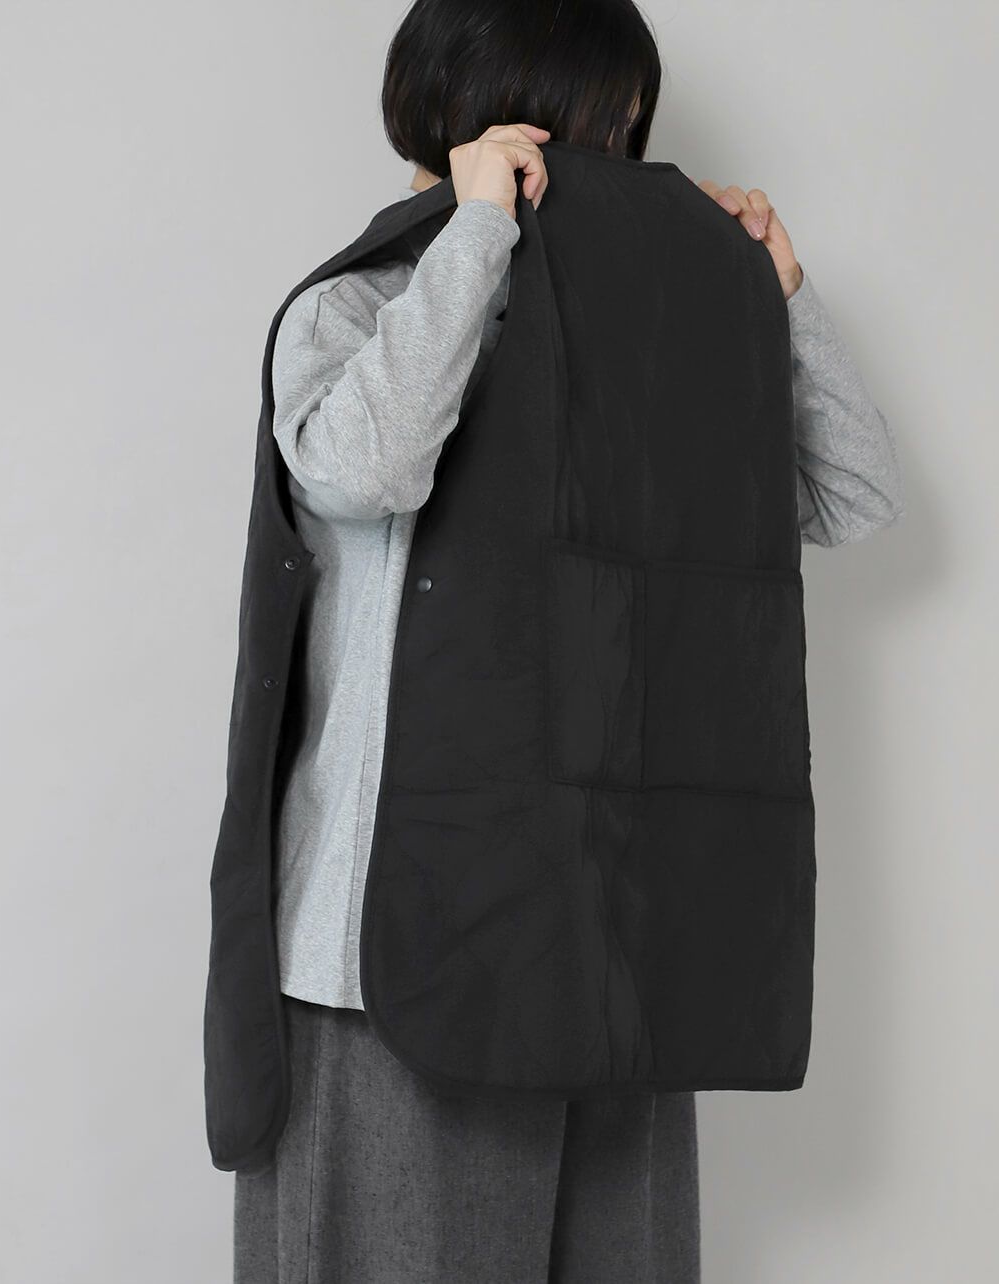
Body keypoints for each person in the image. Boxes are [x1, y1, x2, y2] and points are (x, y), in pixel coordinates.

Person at [231, 1, 905, 1280]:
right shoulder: (362, 305)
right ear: (463, 114)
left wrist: (777, 296)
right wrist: (476, 232)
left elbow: (850, 497)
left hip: (606, 928)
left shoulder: (652, 333)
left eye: (617, 128)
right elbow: (365, 468)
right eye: (574, 124)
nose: (598, 158)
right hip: (393, 952)